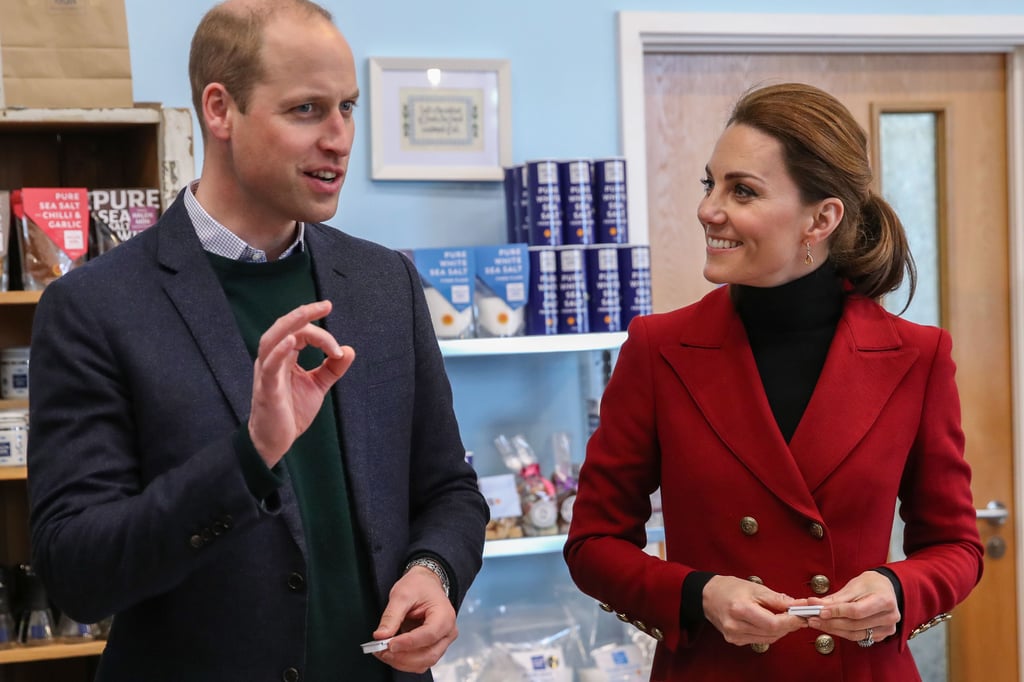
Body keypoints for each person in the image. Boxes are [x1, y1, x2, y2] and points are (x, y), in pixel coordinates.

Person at [26, 1, 489, 680]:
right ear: (220, 111)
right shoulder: (92, 307)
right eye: (307, 110)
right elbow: (79, 573)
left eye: (349, 108)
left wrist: (434, 572)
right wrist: (251, 456)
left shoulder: (384, 282)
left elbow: (451, 488)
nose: (339, 138)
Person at [564, 82, 984, 681]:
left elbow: (957, 547)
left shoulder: (917, 356)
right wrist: (699, 594)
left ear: (822, 218)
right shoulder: (658, 350)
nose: (710, 210)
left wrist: (898, 587)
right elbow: (593, 543)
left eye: (743, 191)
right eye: (711, 184)